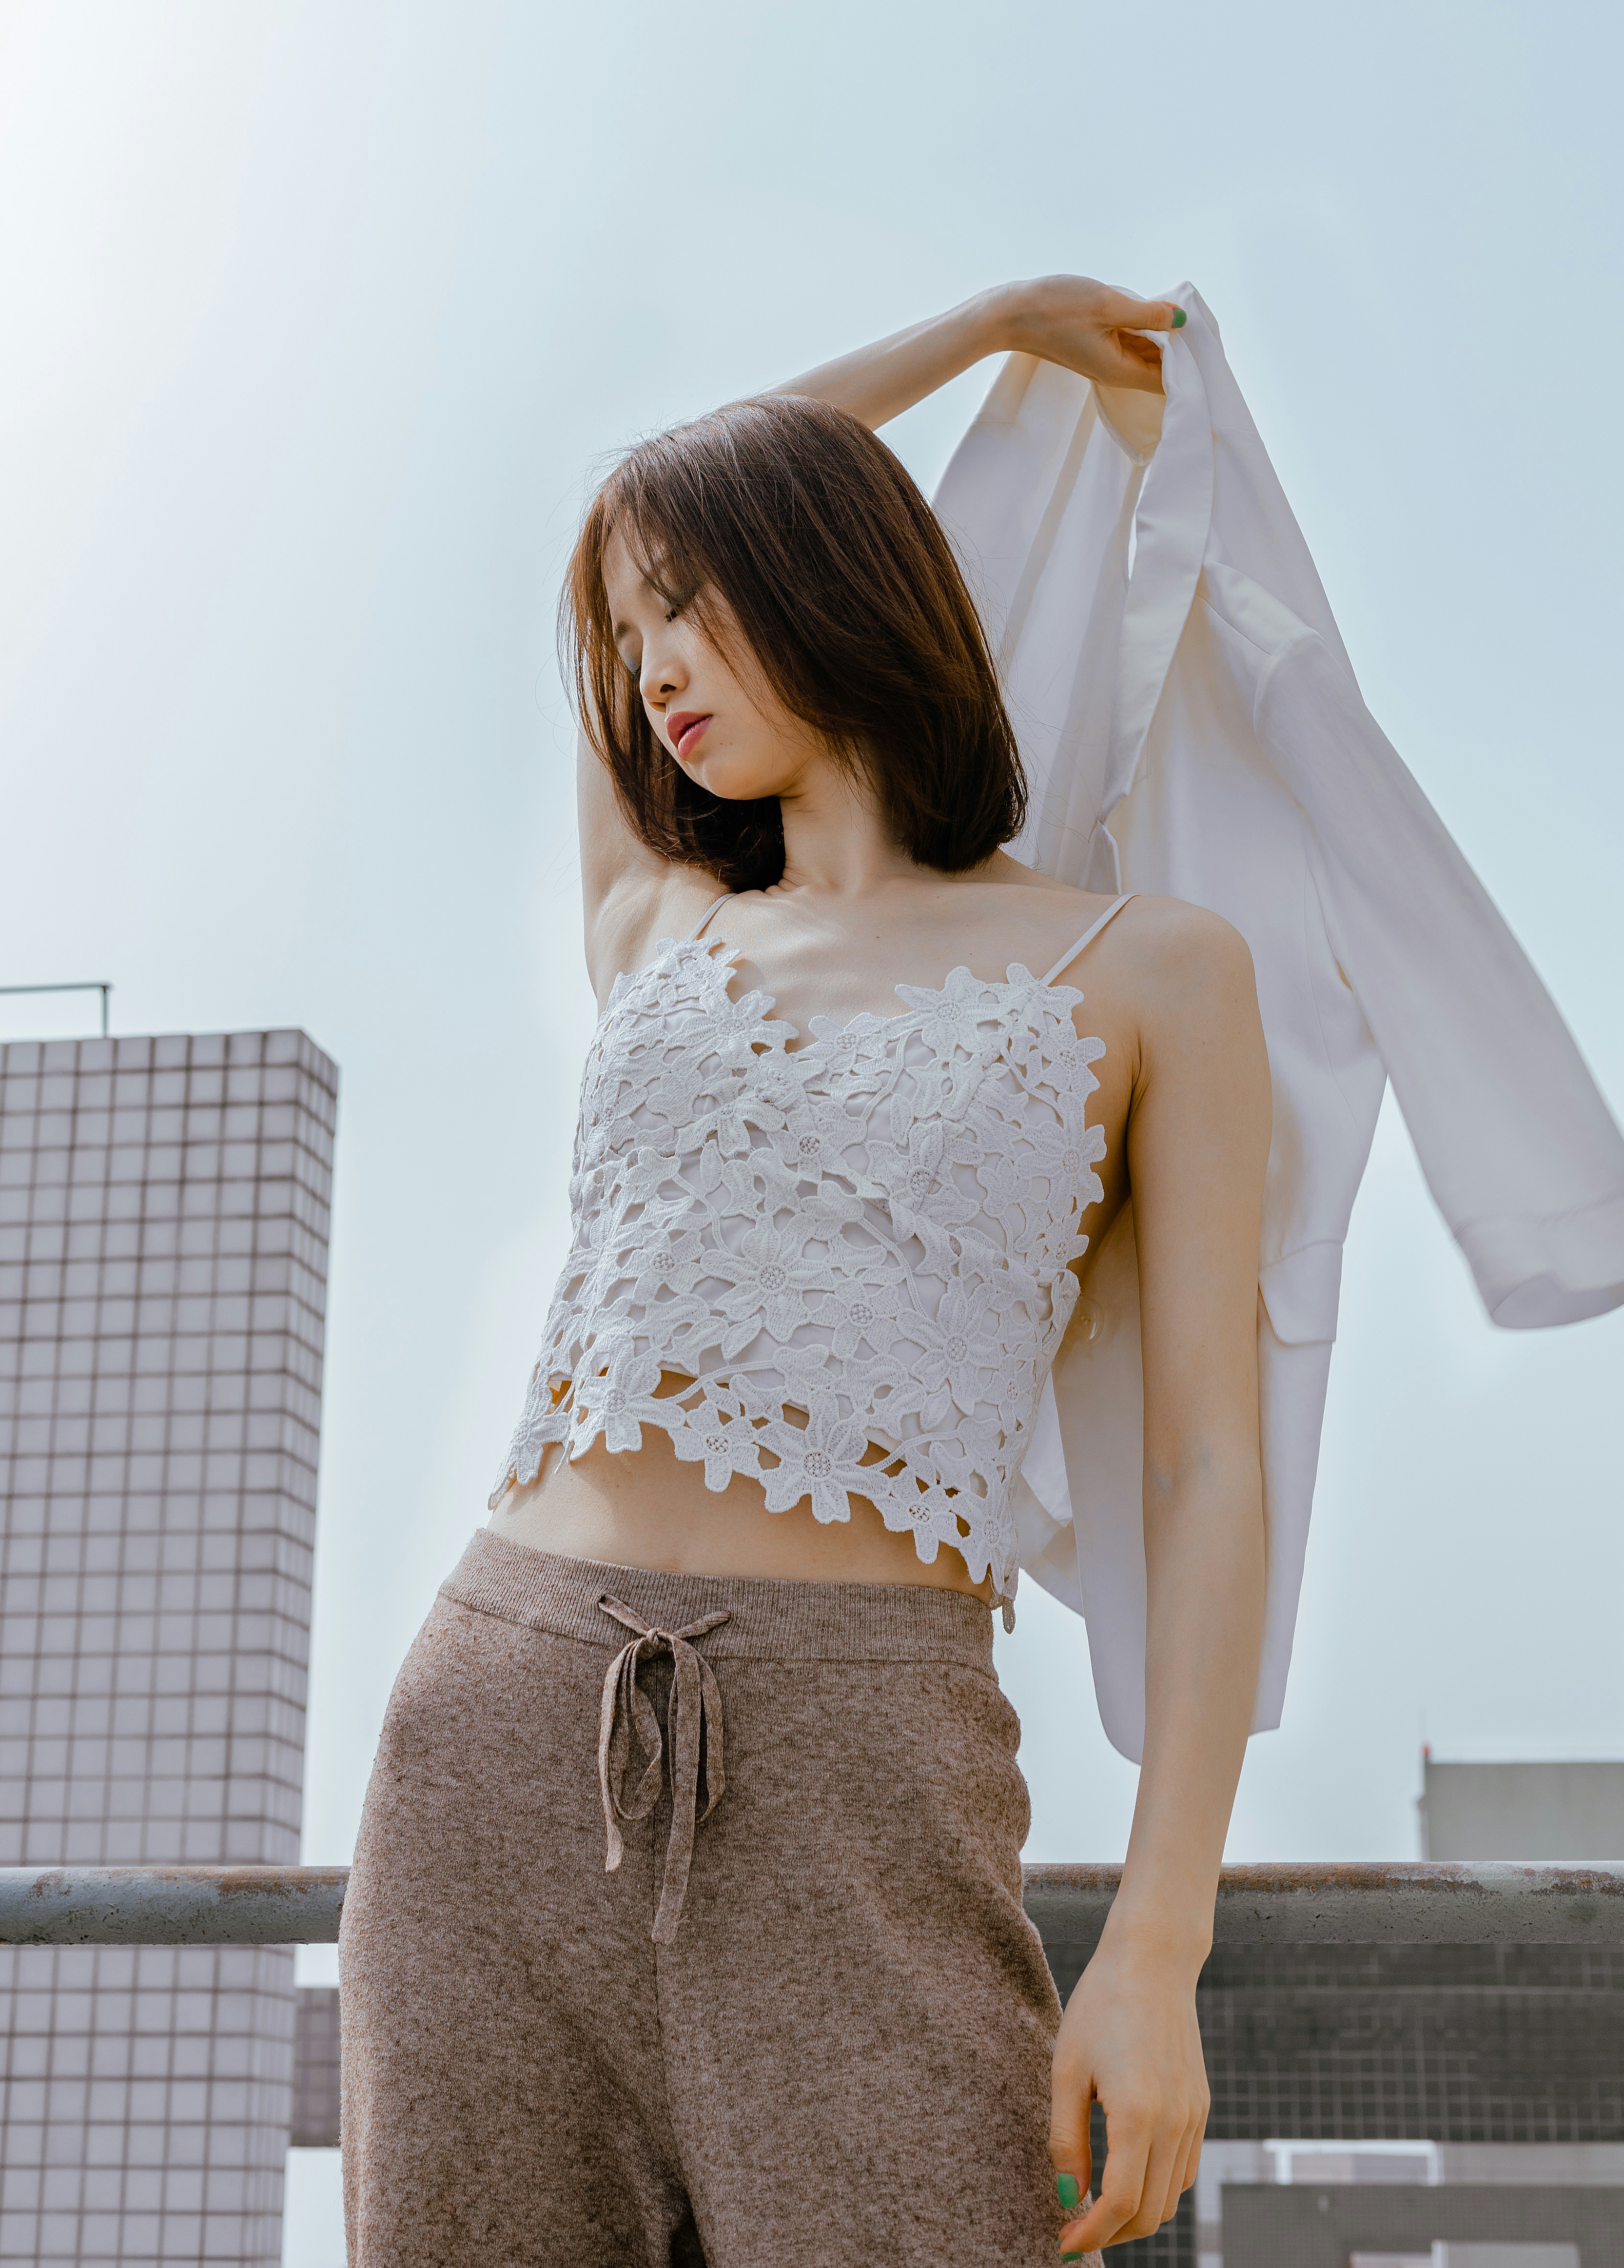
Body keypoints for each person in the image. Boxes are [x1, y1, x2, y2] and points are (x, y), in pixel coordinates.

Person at [338, 276, 1272, 2266]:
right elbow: (600, 523)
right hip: (490, 1738)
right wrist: (982, 327)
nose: (652, 660)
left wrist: (1159, 1940)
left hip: (866, 1765)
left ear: (838, 573)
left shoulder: (1155, 967)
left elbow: (1207, 1469)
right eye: (632, 632)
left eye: (696, 603)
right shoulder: (662, 921)